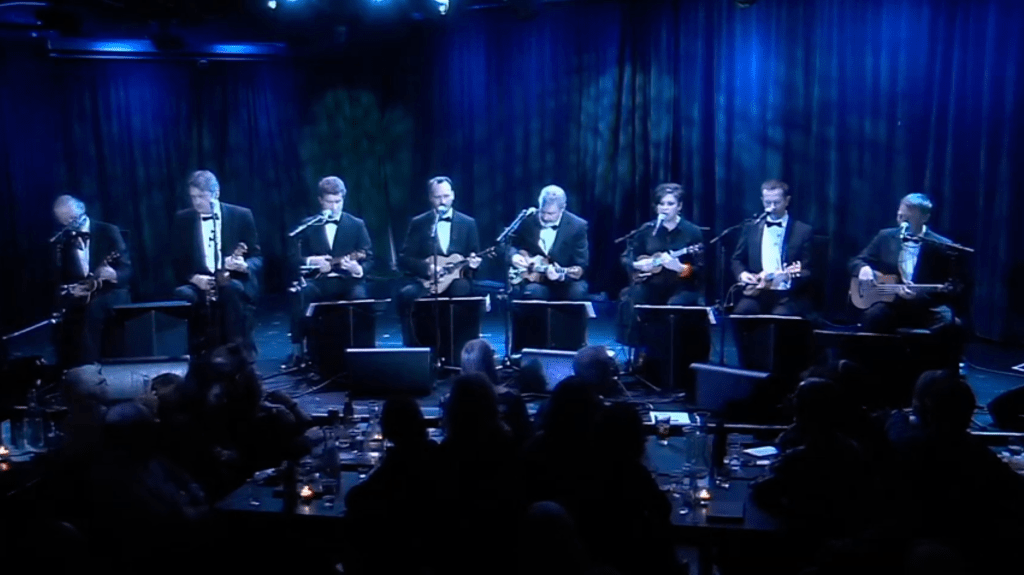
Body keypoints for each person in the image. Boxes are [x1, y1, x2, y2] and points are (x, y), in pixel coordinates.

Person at [170, 170, 262, 357]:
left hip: (233, 279)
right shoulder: (183, 219)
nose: (197, 202)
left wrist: (244, 265)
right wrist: (194, 278)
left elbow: (257, 258)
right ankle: (195, 356)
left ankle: (238, 353)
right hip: (199, 282)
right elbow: (177, 261)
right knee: (183, 295)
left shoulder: (241, 215)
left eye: (202, 197)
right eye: (193, 197)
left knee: (231, 290)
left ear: (216, 193)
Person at [285, 176, 374, 367]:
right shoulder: (309, 225)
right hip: (319, 282)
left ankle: (364, 353)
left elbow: (370, 258)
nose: (334, 207)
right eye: (329, 202)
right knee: (301, 294)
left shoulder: (356, 224)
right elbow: (293, 259)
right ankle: (301, 352)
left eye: (338, 201)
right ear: (320, 200)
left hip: (348, 281)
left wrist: (358, 269)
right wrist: (312, 261)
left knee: (360, 298)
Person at [849, 193, 963, 337]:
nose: (902, 221)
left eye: (907, 219)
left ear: (924, 218)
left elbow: (952, 286)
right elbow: (857, 261)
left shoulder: (942, 245)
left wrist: (919, 295)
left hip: (926, 306)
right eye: (900, 216)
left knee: (947, 322)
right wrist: (864, 268)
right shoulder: (885, 237)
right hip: (892, 303)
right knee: (873, 317)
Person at [397, 176, 482, 346]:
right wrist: (427, 268)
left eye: (446, 196)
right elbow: (404, 259)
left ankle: (455, 348)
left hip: (456, 280)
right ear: (430, 197)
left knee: (461, 289)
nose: (442, 201)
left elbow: (474, 255)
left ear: (453, 195)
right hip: (426, 280)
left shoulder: (468, 223)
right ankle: (417, 349)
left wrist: (473, 265)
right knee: (406, 295)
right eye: (437, 197)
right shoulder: (419, 223)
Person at [616, 183, 703, 344]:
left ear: (679, 206)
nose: (665, 208)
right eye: (661, 204)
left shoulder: (692, 232)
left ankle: (669, 351)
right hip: (652, 283)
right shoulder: (647, 230)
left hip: (681, 286)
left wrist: (681, 268)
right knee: (632, 296)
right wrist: (637, 265)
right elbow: (627, 257)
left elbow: (701, 270)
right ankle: (637, 349)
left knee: (675, 305)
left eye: (670, 204)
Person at [51, 195, 132, 367]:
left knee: (92, 308)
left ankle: (90, 368)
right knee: (59, 310)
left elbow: (127, 271)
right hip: (82, 293)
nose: (70, 225)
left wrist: (113, 274)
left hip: (111, 291)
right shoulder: (63, 241)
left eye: (73, 219)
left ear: (82, 209)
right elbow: (61, 277)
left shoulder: (108, 231)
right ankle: (66, 369)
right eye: (65, 222)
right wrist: (70, 290)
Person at [731, 179, 814, 316]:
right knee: (740, 315)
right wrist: (743, 275)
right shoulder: (751, 227)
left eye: (777, 202)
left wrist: (788, 278)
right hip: (758, 291)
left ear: (787, 201)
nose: (772, 207)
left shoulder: (803, 231)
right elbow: (736, 259)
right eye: (767, 203)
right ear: (762, 200)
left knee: (780, 318)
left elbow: (808, 270)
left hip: (788, 295)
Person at [510, 185, 589, 301]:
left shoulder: (577, 226)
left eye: (551, 214)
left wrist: (561, 276)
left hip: (565, 282)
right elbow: (511, 244)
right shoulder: (528, 219)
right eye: (542, 212)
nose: (545, 217)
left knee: (577, 293)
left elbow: (581, 264)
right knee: (531, 293)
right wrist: (514, 256)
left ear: (563, 208)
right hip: (536, 279)